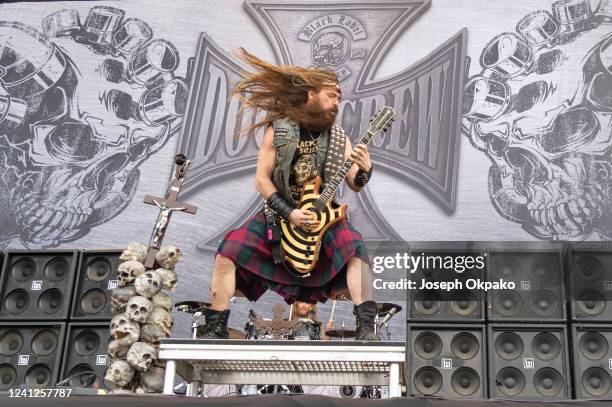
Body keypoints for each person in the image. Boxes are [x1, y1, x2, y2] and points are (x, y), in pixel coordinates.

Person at [197, 49, 378, 341]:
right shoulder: (278, 129)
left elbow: (354, 182)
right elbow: (261, 179)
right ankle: (216, 326)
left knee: (356, 249)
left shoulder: (339, 136)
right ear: (311, 94)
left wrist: (366, 170)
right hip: (280, 216)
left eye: (339, 97)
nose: (337, 102)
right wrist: (289, 211)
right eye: (331, 95)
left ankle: (367, 328)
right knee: (229, 250)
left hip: (323, 218)